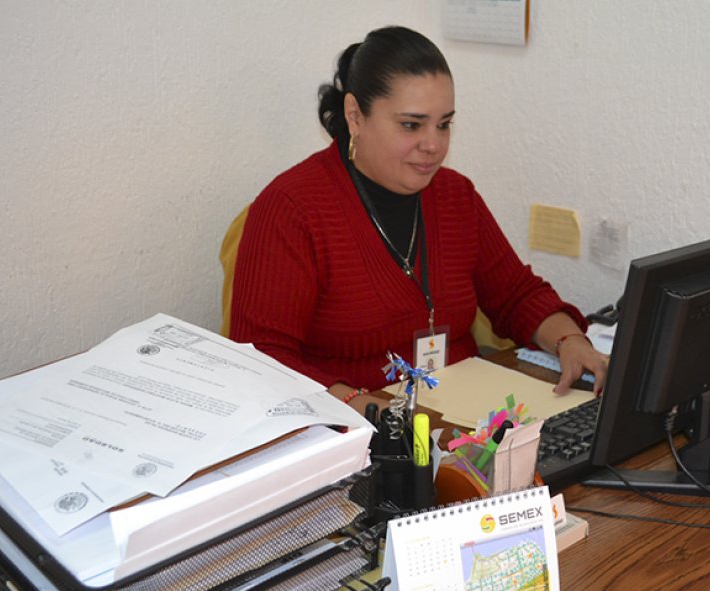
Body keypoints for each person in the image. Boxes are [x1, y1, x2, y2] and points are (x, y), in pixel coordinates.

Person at [227, 25, 608, 414]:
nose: (434, 145)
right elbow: (262, 359)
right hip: (356, 433)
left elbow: (516, 295)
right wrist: (361, 406)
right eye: (412, 125)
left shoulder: (455, 195)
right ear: (355, 115)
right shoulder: (292, 209)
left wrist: (569, 341)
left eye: (444, 124)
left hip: (466, 424)